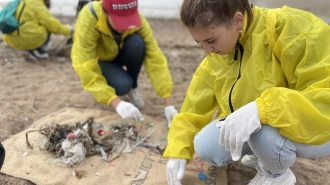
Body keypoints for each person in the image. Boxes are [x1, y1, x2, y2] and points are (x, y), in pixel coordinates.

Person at [163, 0, 330, 184]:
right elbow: (193, 108)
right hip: (267, 127)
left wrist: (262, 108)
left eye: (211, 40)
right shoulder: (217, 55)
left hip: (319, 125)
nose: (207, 50)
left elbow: (324, 96)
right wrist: (177, 151)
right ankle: (264, 155)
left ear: (237, 21)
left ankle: (276, 175)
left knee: (261, 133)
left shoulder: (289, 26)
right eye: (199, 42)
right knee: (205, 145)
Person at [71, 0, 178, 125]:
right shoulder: (90, 17)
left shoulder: (139, 20)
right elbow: (85, 66)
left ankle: (133, 89)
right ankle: (123, 85)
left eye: (129, 20)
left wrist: (168, 104)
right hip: (100, 60)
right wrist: (116, 102)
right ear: (106, 12)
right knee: (122, 86)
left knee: (137, 43)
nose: (126, 26)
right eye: (120, 20)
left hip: (119, 53)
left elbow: (156, 58)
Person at [2, 0, 73, 61]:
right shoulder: (37, 5)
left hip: (11, 39)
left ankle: (29, 51)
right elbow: (53, 26)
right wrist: (68, 29)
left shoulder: (20, 2)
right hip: (26, 38)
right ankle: (41, 51)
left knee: (27, 26)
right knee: (46, 26)